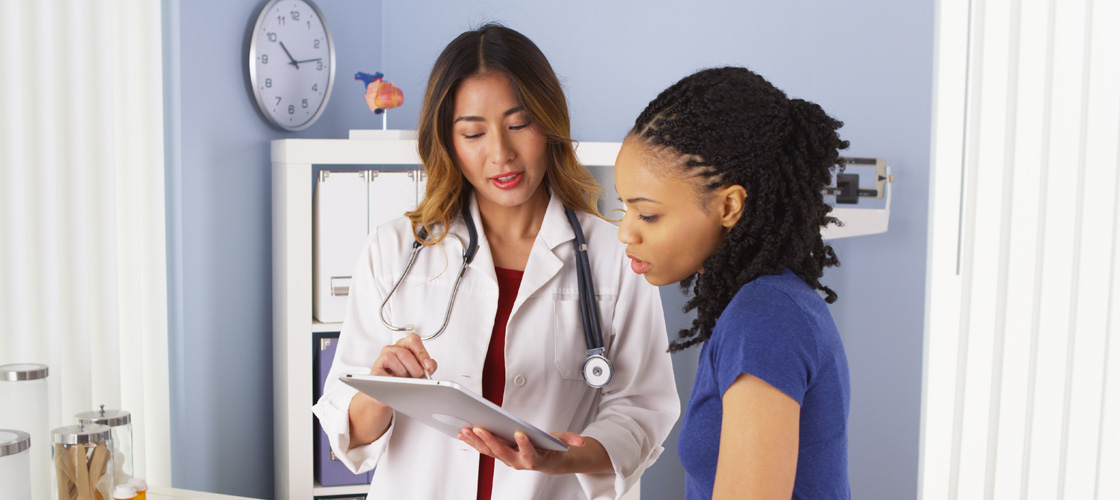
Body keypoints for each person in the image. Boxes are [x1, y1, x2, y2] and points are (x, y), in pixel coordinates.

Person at [312, 24, 679, 500]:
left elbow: (642, 408)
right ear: (448, 141)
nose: (500, 154)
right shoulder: (395, 249)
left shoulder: (615, 254)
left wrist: (563, 457)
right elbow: (350, 432)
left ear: (549, 124)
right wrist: (381, 388)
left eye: (519, 124)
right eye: (473, 132)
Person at [613, 67, 851, 499]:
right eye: (623, 207)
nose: (626, 232)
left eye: (647, 214)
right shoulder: (763, 305)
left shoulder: (764, 318)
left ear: (729, 206)